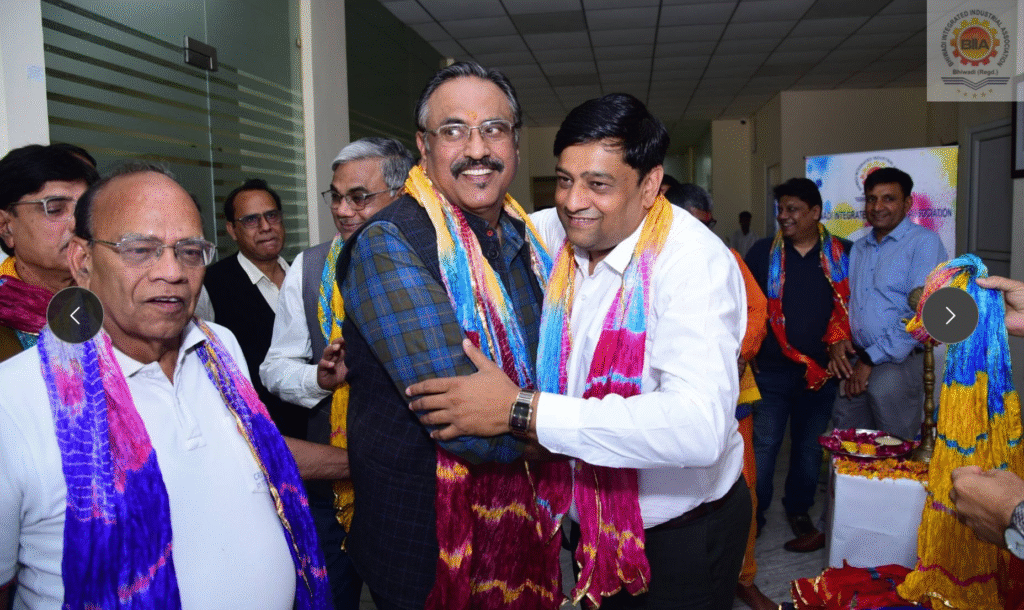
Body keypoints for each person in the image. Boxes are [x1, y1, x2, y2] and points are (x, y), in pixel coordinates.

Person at [407, 93, 750, 610]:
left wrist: (521, 410)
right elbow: (462, 230)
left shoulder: (693, 262)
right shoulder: (551, 233)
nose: (572, 201)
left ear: (650, 185)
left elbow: (698, 427)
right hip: (584, 521)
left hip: (679, 537)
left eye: (598, 184)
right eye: (564, 180)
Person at [0, 163, 328, 610]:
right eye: (140, 250)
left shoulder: (220, 348)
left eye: (190, 251)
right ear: (82, 261)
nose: (173, 272)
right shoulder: (15, 400)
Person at [337, 62, 552, 610]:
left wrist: (528, 411)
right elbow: (465, 424)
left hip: (523, 520)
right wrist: (569, 434)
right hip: (429, 545)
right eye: (454, 130)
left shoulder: (522, 237)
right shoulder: (389, 242)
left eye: (494, 129)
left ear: (515, 144)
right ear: (424, 146)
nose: (477, 149)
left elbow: (549, 366)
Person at [260, 137, 413, 610]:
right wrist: (318, 380)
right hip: (332, 481)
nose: (343, 210)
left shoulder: (427, 263)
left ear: (401, 196)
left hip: (410, 480)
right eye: (337, 196)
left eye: (359, 197)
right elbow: (274, 368)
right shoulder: (308, 268)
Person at [665, 183, 774, 610]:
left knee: (741, 485)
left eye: (704, 225)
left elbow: (757, 310)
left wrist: (732, 355)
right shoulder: (640, 259)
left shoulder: (724, 257)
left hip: (729, 398)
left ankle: (742, 576)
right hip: (661, 405)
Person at [744, 177, 851, 553]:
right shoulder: (763, 252)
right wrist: (747, 354)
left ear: (815, 212)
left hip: (821, 374)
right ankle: (755, 513)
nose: (783, 216)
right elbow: (746, 306)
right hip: (771, 371)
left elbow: (851, 308)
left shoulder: (843, 253)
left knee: (808, 448)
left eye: (793, 209)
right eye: (780, 209)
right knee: (765, 444)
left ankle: (799, 509)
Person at [830, 167, 948, 441]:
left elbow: (919, 314)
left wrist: (870, 359)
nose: (877, 207)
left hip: (898, 360)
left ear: (907, 203)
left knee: (894, 445)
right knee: (847, 442)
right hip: (858, 358)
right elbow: (848, 303)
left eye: (888, 198)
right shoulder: (859, 248)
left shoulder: (924, 243)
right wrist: (839, 339)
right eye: (872, 199)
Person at [200, 178, 303, 436]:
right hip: (258, 434)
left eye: (272, 215)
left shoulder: (304, 275)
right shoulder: (210, 285)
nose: (266, 227)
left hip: (316, 424)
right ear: (232, 230)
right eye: (251, 220)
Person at [0, 144, 98, 362]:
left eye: (84, 210)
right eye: (55, 209)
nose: (76, 224)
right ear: (6, 226)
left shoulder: (120, 303)